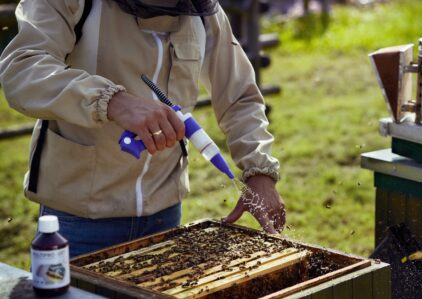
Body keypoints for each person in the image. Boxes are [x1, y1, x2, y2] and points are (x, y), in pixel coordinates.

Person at [0, 0, 285, 257]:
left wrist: (259, 170)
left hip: (164, 218)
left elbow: (240, 96)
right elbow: (22, 69)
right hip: (78, 223)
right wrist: (111, 101)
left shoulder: (203, 11)